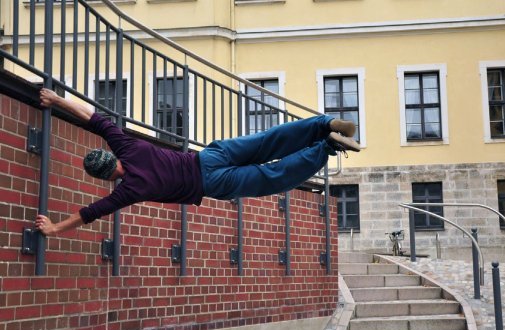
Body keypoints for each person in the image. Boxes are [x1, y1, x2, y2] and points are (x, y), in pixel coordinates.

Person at [35, 88, 360, 236]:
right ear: (111, 156)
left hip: (211, 183)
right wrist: (55, 99)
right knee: (267, 141)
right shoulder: (127, 146)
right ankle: (323, 125)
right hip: (210, 155)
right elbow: (94, 118)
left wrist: (53, 228)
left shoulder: (129, 189)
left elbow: (87, 214)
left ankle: (326, 147)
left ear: (107, 177)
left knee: (272, 176)